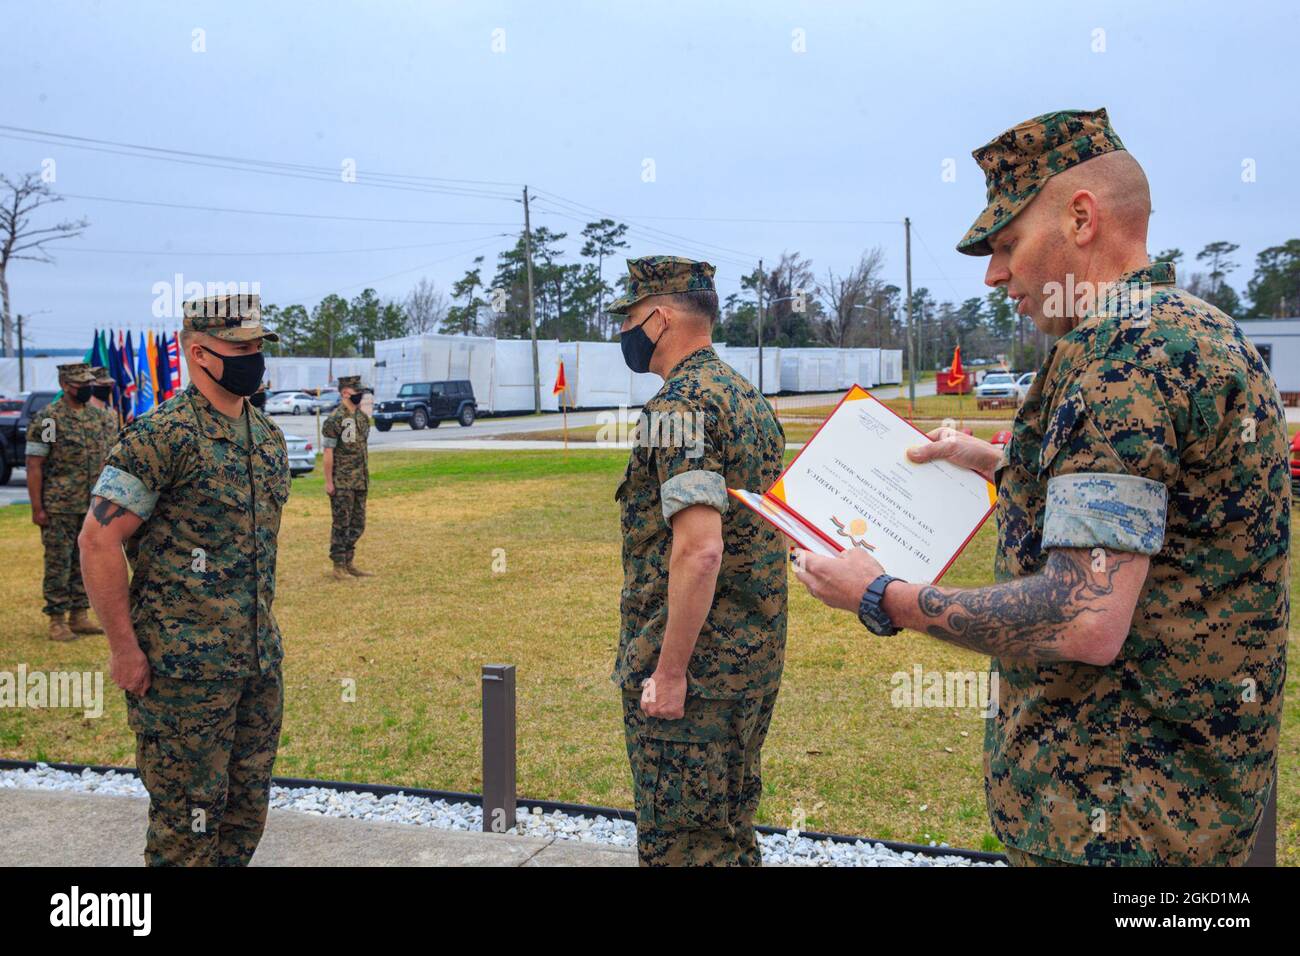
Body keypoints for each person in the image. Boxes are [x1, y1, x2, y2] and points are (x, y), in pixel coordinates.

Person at [792, 109, 1289, 866]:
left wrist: (880, 594)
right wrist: (1000, 466)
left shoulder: (1120, 360)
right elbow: (1163, 509)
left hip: (1118, 819)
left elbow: (1082, 617)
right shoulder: (1197, 331)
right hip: (1193, 799)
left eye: (1006, 245)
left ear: (1081, 219)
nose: (995, 276)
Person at [79, 293, 290, 866]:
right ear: (198, 353)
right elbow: (98, 540)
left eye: (257, 347)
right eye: (240, 348)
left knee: (243, 817)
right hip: (181, 678)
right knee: (186, 831)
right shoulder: (160, 437)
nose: (253, 357)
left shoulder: (267, 439)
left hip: (255, 666)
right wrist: (124, 650)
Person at [609, 255, 788, 866]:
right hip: (749, 662)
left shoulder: (678, 408)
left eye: (630, 317)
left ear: (659, 320)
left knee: (684, 849)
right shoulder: (746, 397)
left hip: (698, 675)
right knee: (729, 834)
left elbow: (701, 547)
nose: (624, 332)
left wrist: (671, 670)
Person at [25, 362, 115, 640]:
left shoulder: (97, 417)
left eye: (89, 383)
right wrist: (38, 508)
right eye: (81, 385)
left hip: (91, 505)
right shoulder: (50, 419)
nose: (88, 389)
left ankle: (79, 615)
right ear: (65, 386)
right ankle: (56, 619)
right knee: (58, 562)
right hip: (59, 505)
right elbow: (34, 464)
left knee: (84, 562)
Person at [321, 374, 373, 579]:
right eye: (356, 392)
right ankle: (338, 565)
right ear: (344, 393)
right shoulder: (335, 419)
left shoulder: (362, 418)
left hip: (360, 479)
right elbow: (328, 452)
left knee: (358, 523)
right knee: (341, 523)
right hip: (342, 480)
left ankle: (349, 561)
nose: (359, 395)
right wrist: (329, 482)